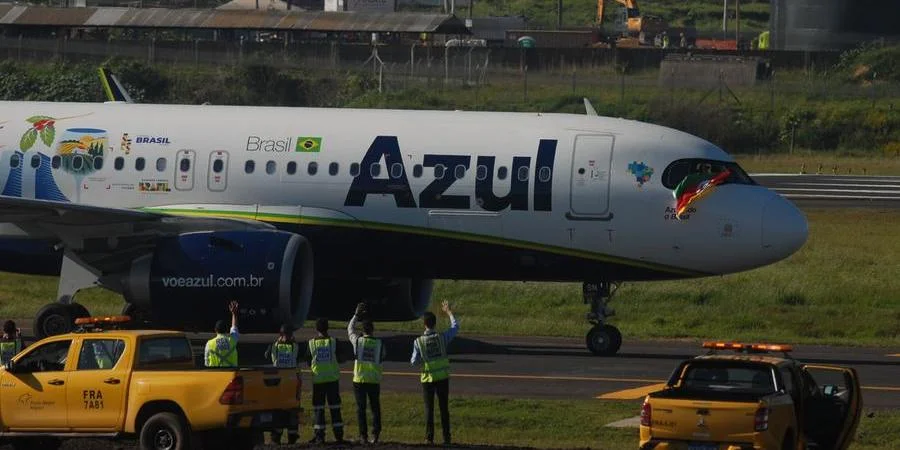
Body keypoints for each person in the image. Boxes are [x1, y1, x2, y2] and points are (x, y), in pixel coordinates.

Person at [411, 300, 459, 446]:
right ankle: (447, 437)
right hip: (443, 378)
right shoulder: (442, 338)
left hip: (427, 379)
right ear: (434, 323)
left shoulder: (418, 342)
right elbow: (455, 327)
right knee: (444, 409)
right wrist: (449, 312)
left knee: (429, 410)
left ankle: (429, 438)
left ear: (424, 324)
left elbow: (414, 362)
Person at [347, 303, 386, 445]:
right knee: (375, 408)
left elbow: (350, 329)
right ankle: (375, 434)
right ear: (373, 330)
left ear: (363, 330)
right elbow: (383, 356)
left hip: (359, 379)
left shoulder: (358, 341)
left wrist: (356, 315)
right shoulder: (380, 344)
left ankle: (363, 435)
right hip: (374, 380)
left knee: (361, 409)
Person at [306, 318, 346, 444]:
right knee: (335, 408)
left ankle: (319, 436)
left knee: (319, 409)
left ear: (316, 329)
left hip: (318, 380)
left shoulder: (311, 343)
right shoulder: (333, 342)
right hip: (332, 380)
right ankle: (339, 435)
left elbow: (308, 360)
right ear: (327, 328)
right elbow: (341, 358)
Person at [264, 324, 302, 445]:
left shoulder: (275, 346)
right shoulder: (294, 347)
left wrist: (278, 340)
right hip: (290, 381)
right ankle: (292, 435)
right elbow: (297, 351)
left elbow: (267, 356)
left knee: (278, 409)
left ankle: (276, 436)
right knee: (292, 409)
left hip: (278, 382)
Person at [204, 301, 240, 367]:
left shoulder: (209, 344)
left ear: (215, 330)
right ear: (227, 330)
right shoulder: (232, 340)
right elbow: (234, 328)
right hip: (232, 374)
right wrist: (234, 314)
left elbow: (207, 363)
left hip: (216, 375)